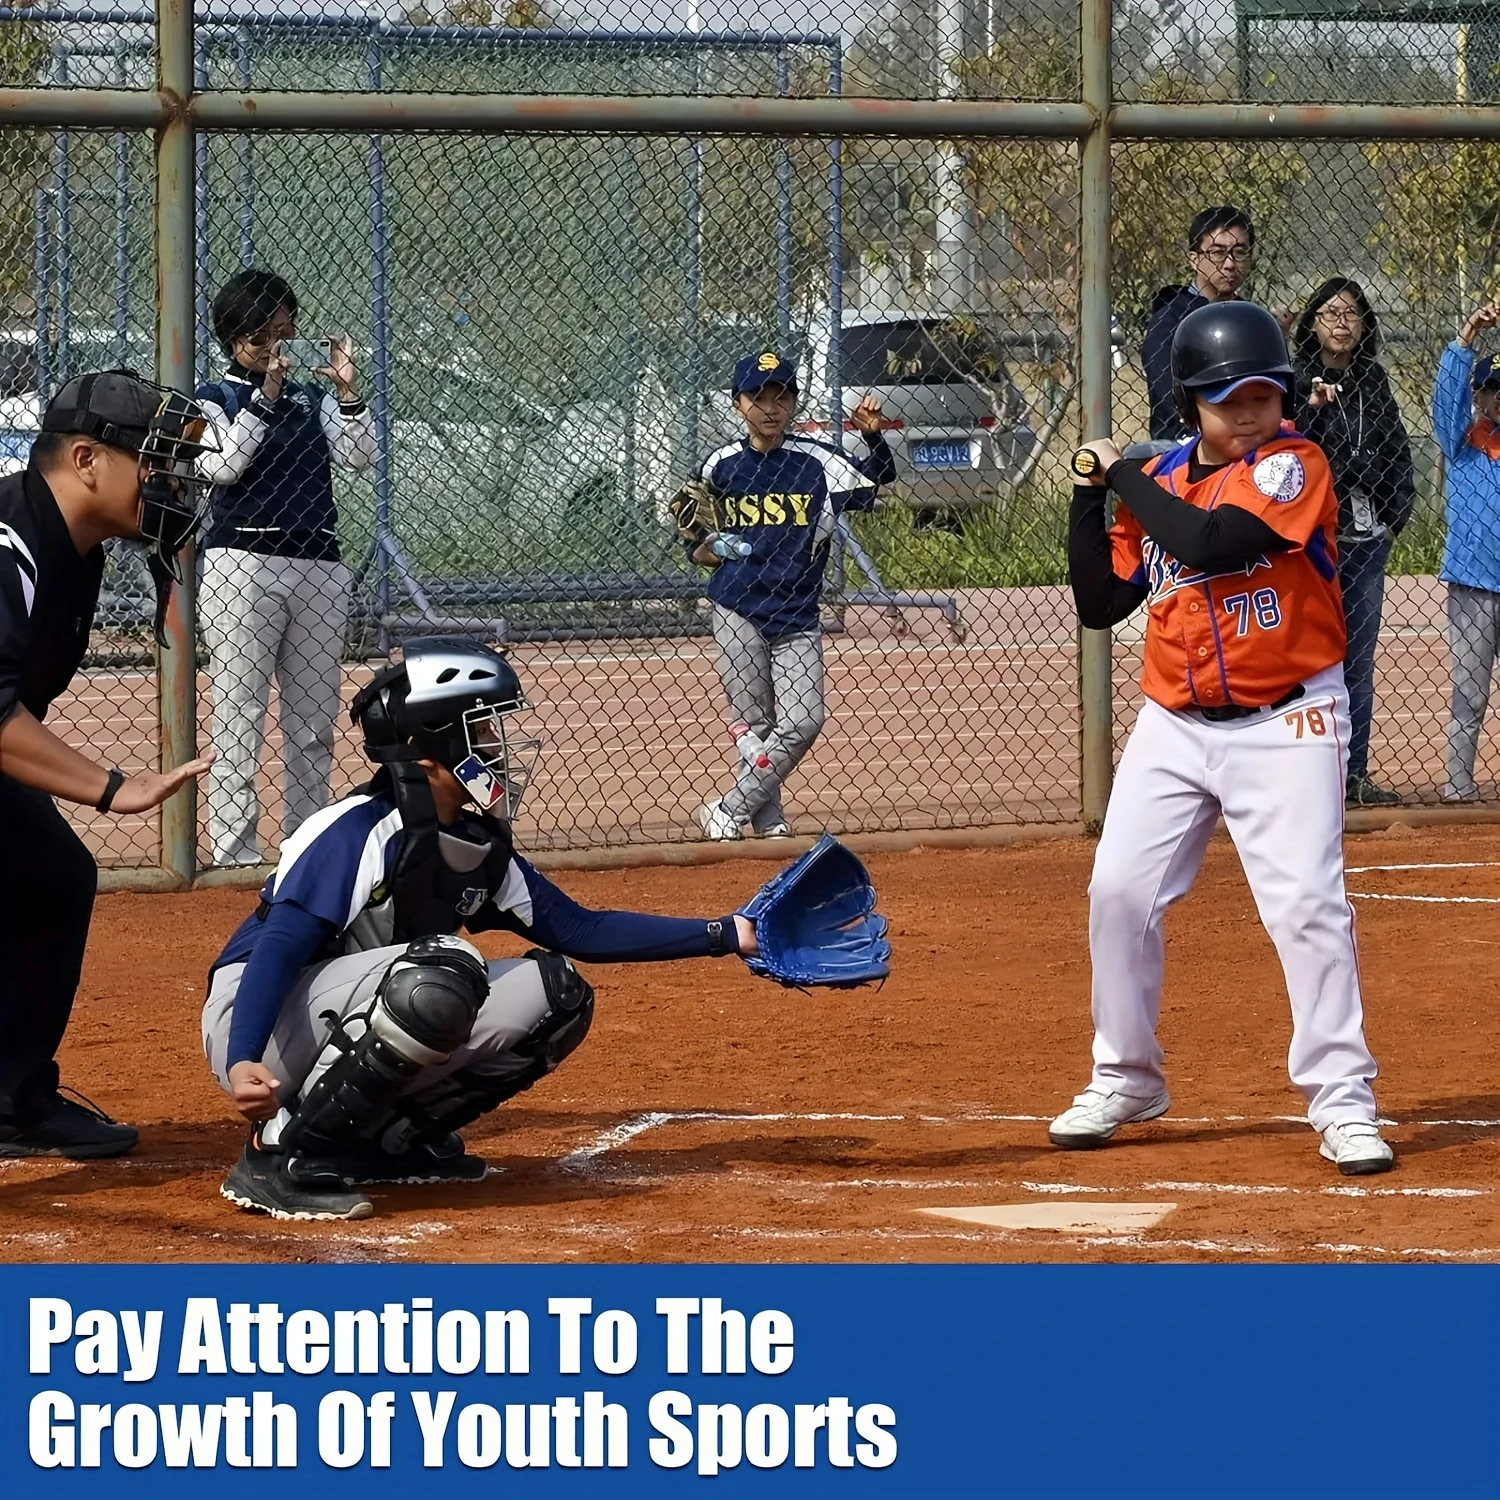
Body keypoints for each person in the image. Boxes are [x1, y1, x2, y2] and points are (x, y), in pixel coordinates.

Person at [203, 638, 769, 1221]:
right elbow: (277, 947)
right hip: (257, 1019)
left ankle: (382, 1139)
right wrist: (245, 1054)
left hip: (343, 1011)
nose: (497, 748)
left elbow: (581, 929)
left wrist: (728, 933)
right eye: (481, 733)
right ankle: (276, 1157)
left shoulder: (474, 845)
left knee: (555, 994)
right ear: (429, 751)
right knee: (446, 968)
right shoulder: (357, 830)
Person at [1054, 300, 1392, 1176]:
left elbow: (1208, 542)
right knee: (1117, 895)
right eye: (1226, 399)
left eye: (1261, 395)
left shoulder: (1293, 463)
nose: (1247, 414)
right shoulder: (1160, 476)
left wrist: (1121, 473)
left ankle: (1343, 1099)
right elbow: (1101, 602)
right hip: (1174, 721)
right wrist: (1087, 498)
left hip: (1288, 719)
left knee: (1308, 909)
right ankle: (1126, 1076)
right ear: (1190, 403)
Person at [0, 370, 215, 1158]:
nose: (173, 485)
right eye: (156, 464)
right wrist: (111, 788)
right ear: (86, 458)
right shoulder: (11, 543)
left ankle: (13, 1100)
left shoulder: (77, 545)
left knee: (51, 873)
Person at [196, 269, 376, 869]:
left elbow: (359, 458)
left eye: (285, 330)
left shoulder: (312, 398)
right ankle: (234, 848)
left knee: (313, 720)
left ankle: (304, 845)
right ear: (235, 339)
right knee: (239, 710)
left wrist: (348, 393)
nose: (277, 346)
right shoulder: (212, 398)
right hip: (243, 563)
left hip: (318, 561)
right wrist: (263, 399)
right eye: (263, 335)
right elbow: (224, 467)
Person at [689, 351, 896, 841]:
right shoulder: (720, 465)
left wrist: (872, 434)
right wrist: (713, 548)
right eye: (757, 396)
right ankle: (768, 820)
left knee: (804, 721)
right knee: (757, 724)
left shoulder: (817, 461)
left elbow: (879, 478)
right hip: (737, 605)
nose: (770, 406)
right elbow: (696, 541)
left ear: (794, 402)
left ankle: (728, 807)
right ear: (738, 405)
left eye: (781, 395)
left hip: (796, 611)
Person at [1292, 277, 1416, 809]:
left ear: (1365, 325)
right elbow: (1290, 448)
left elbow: (1395, 449)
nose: (1342, 322)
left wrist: (1393, 516)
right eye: (1331, 312)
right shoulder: (1297, 381)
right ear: (1313, 322)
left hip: (1366, 540)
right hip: (1314, 544)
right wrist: (1320, 417)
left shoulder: (1374, 380)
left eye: (1353, 313)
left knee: (1357, 662)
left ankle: (1354, 772)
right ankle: (1303, 774)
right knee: (1309, 662)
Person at [1434, 300, 1500, 804]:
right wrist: (1467, 336)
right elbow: (1445, 402)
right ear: (1478, 396)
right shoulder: (1462, 441)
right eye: (1492, 391)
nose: (1499, 401)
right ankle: (1459, 787)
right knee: (1470, 694)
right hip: (1474, 585)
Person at [1141, 206, 1260, 443]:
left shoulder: (1250, 316)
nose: (1229, 264)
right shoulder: (1171, 317)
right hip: (1184, 444)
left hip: (1248, 438)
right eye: (1217, 252)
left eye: (1239, 252)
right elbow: (1165, 389)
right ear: (1194, 259)